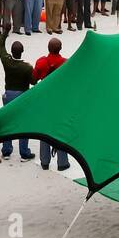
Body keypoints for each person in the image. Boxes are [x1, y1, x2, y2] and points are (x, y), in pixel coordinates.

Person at [32, 38, 70, 171]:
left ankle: (45, 161)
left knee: (44, 130)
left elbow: (34, 79)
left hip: (45, 100)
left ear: (48, 48)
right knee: (60, 130)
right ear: (60, 48)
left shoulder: (41, 62)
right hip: (60, 101)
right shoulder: (65, 63)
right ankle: (62, 162)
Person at [0, 36, 35, 162]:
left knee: (8, 122)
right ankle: (24, 152)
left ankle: (6, 151)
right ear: (22, 51)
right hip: (22, 96)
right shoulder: (27, 67)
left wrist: (6, 32)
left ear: (12, 52)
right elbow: (34, 81)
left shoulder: (6, 62)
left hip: (8, 95)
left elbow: (0, 46)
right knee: (23, 124)